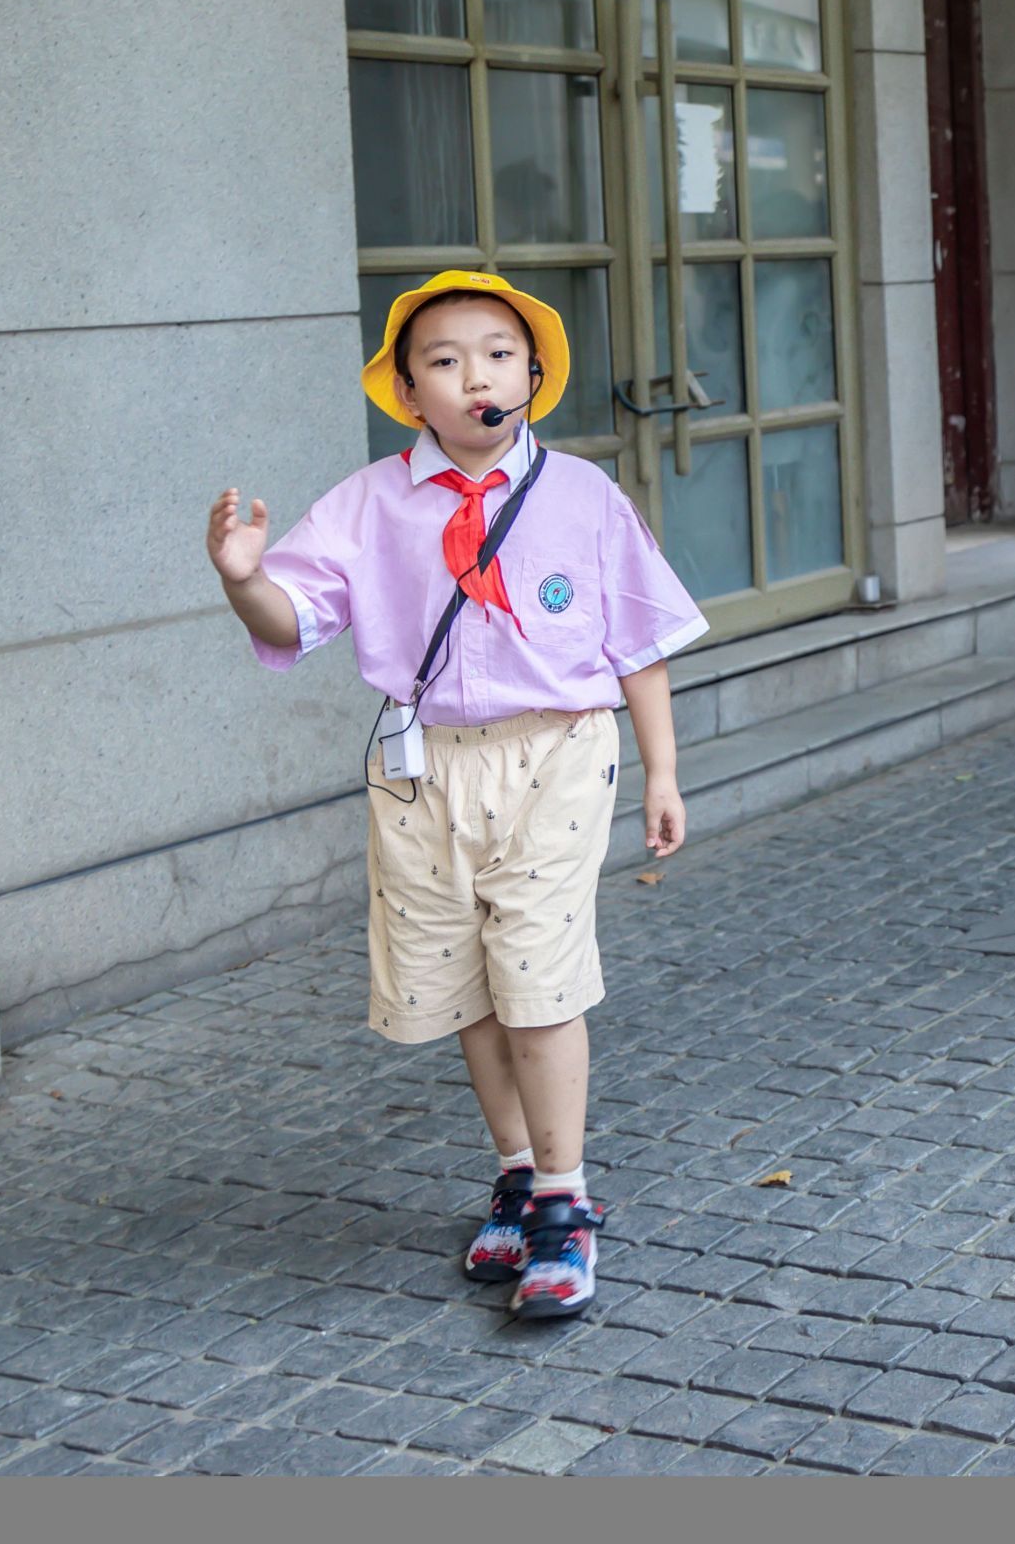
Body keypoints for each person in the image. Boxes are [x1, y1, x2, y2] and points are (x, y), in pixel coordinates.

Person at [205, 270, 702, 1322]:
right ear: (408, 389)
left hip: (556, 750)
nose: (474, 373)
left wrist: (661, 768)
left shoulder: (584, 497)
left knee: (536, 966)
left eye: (497, 352)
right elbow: (293, 617)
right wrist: (242, 574)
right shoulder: (369, 501)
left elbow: (639, 641)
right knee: (469, 980)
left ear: (533, 375)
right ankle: (517, 1171)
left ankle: (567, 1202)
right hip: (423, 762)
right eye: (443, 358)